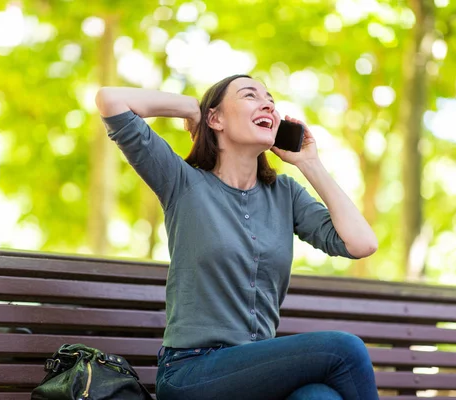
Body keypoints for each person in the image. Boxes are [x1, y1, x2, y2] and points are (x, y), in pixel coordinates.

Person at [95, 74, 379, 400]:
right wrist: (192, 108)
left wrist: (310, 164)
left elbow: (362, 244)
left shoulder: (285, 193)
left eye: (270, 99)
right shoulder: (181, 182)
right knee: (343, 349)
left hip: (257, 375)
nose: (268, 104)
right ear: (216, 119)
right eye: (250, 95)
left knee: (317, 397)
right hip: (192, 373)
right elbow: (110, 100)